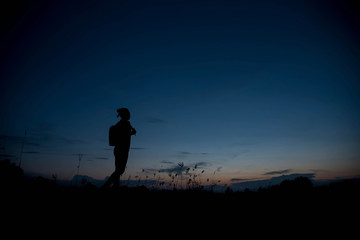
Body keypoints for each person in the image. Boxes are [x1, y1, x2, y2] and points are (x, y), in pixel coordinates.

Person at [103, 107, 136, 189]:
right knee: (120, 170)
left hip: (118, 149)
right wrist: (132, 132)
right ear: (125, 115)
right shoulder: (125, 124)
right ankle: (106, 186)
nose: (129, 115)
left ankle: (115, 187)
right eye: (128, 114)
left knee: (118, 170)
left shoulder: (120, 123)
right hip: (123, 150)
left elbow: (124, 135)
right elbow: (125, 136)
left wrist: (131, 133)